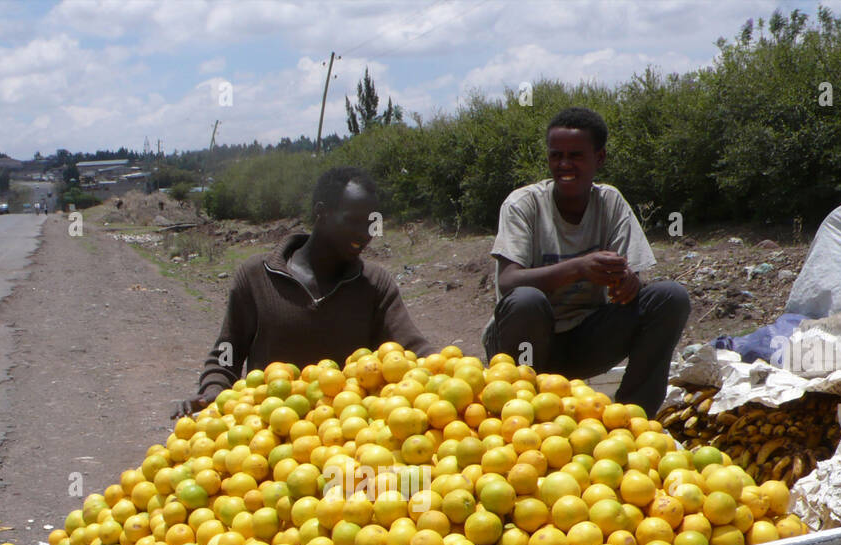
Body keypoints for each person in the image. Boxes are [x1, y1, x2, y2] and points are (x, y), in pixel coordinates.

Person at [483, 107, 690, 415]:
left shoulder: (610, 202)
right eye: (556, 155)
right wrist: (579, 268)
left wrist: (628, 283)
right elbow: (508, 282)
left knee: (670, 297)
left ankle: (633, 418)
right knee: (526, 300)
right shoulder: (524, 204)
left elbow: (629, 279)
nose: (564, 165)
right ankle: (517, 413)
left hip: (584, 343)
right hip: (525, 345)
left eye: (576, 156)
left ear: (600, 158)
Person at [181, 166, 431, 414]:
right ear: (321, 212)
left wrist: (454, 367)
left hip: (348, 433)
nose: (364, 234)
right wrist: (213, 387)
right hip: (268, 432)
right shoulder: (257, 276)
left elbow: (412, 346)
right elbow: (228, 351)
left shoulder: (374, 283)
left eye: (371, 223)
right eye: (352, 221)